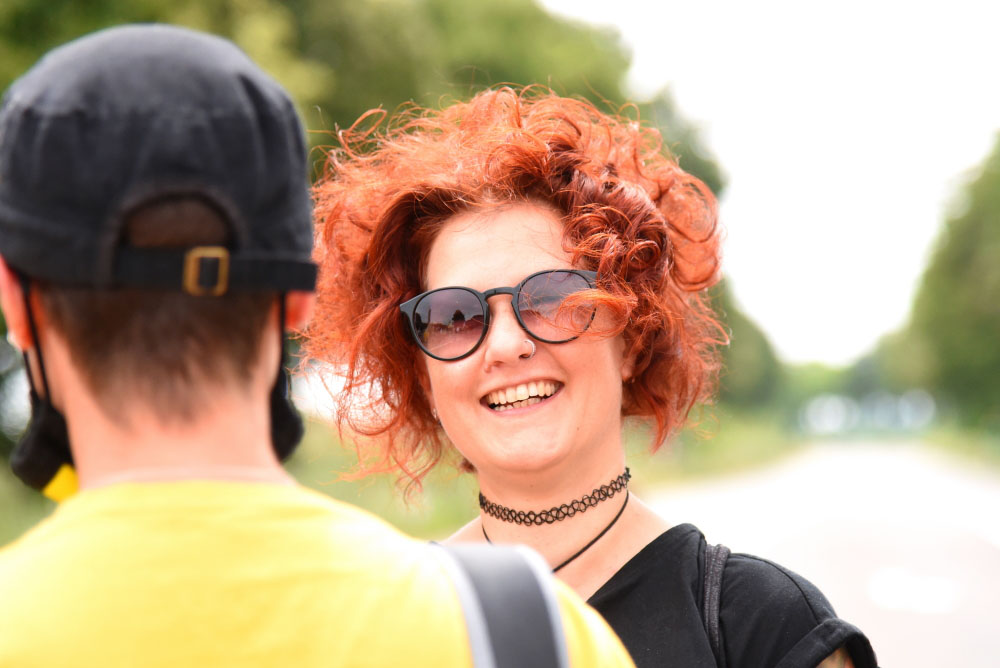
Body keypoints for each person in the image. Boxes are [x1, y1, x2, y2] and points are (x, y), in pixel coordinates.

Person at [0, 27, 635, 668]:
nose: (507, 344)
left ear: (15, 302)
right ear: (300, 295)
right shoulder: (527, 635)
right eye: (453, 316)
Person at [305, 87, 879, 668]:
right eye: (454, 315)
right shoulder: (371, 628)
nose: (506, 345)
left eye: (551, 298)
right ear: (424, 375)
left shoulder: (763, 625)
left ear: (630, 340)